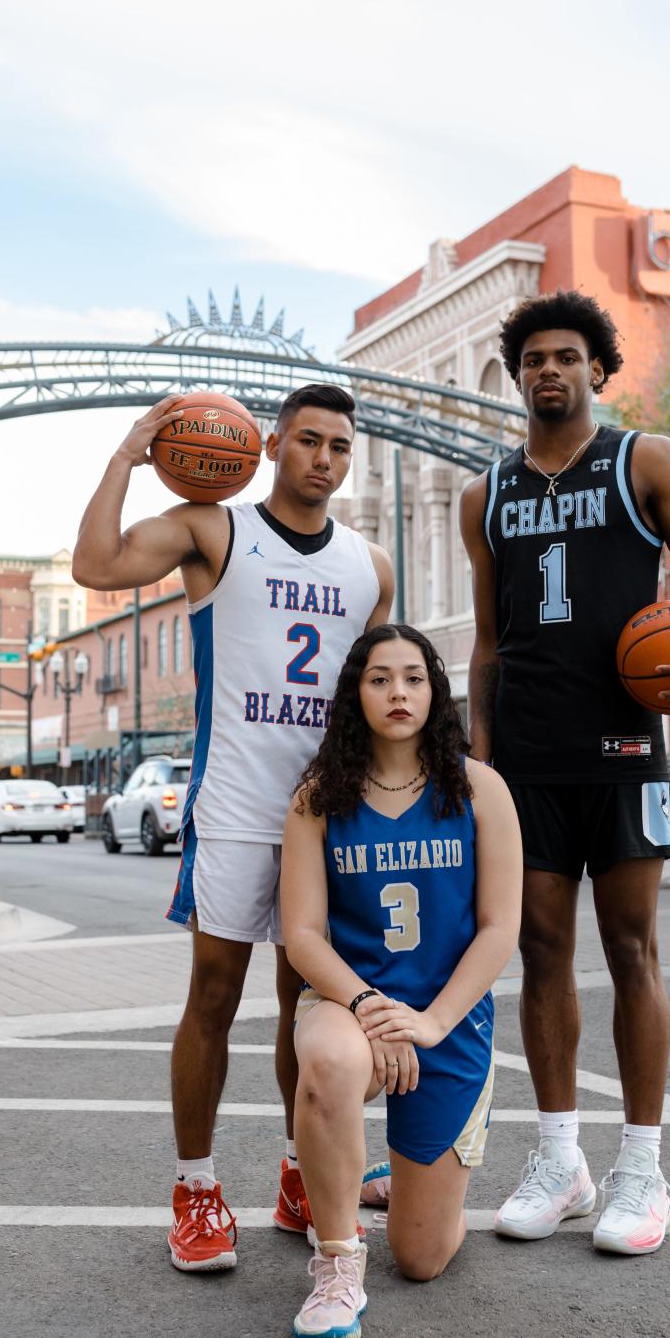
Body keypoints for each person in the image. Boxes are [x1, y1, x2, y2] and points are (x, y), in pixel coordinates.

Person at [460, 291, 670, 1255]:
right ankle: (562, 1161)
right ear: (518, 378)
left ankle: (643, 1168)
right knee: (540, 954)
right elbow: (487, 643)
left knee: (631, 950)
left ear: (598, 369)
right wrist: (475, 764)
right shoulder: (486, 496)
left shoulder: (647, 460)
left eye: (567, 356)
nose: (549, 370)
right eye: (533, 359)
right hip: (528, 759)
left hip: (628, 748)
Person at [72, 383, 394, 1270]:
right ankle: (197, 1187)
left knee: (310, 1009)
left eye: (339, 446)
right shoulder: (214, 530)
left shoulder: (372, 564)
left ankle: (301, 1174)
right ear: (271, 445)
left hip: (328, 816)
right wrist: (128, 455)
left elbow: (377, 695)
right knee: (212, 1001)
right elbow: (94, 568)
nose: (323, 459)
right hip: (238, 808)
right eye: (308, 442)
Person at [280, 623, 521, 1338]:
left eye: (414, 678)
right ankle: (337, 1265)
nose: (398, 693)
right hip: (349, 1005)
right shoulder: (319, 798)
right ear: (357, 692)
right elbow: (303, 937)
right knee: (326, 1061)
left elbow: (498, 928)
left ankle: (382, 1169)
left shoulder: (480, 789)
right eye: (380, 678)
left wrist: (432, 1023)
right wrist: (369, 1009)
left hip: (446, 1020)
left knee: (421, 1258)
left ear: (434, 691)